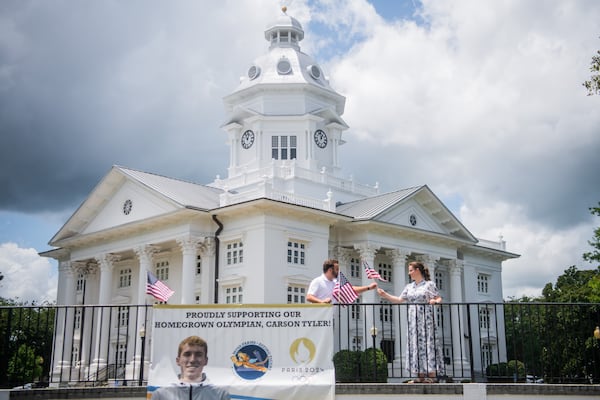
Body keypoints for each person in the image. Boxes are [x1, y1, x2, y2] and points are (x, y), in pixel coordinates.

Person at [377, 261, 444, 383]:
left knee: (428, 343)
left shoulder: (429, 284)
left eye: (411, 270)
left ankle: (432, 376)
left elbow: (438, 297)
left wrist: (436, 302)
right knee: (415, 344)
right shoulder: (409, 286)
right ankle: (420, 376)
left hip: (426, 318)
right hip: (413, 320)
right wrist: (385, 294)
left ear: (418, 270)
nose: (409, 273)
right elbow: (399, 300)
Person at [151, 336, 230, 400]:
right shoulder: (160, 395)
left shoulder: (220, 395)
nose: (192, 360)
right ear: (178, 361)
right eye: (187, 354)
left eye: (198, 354)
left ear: (206, 361)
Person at [307, 258, 377, 303]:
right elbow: (309, 297)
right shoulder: (317, 281)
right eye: (337, 269)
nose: (339, 272)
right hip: (319, 318)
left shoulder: (335, 283)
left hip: (331, 317)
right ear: (330, 270)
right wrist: (322, 302)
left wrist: (368, 287)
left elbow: (350, 289)